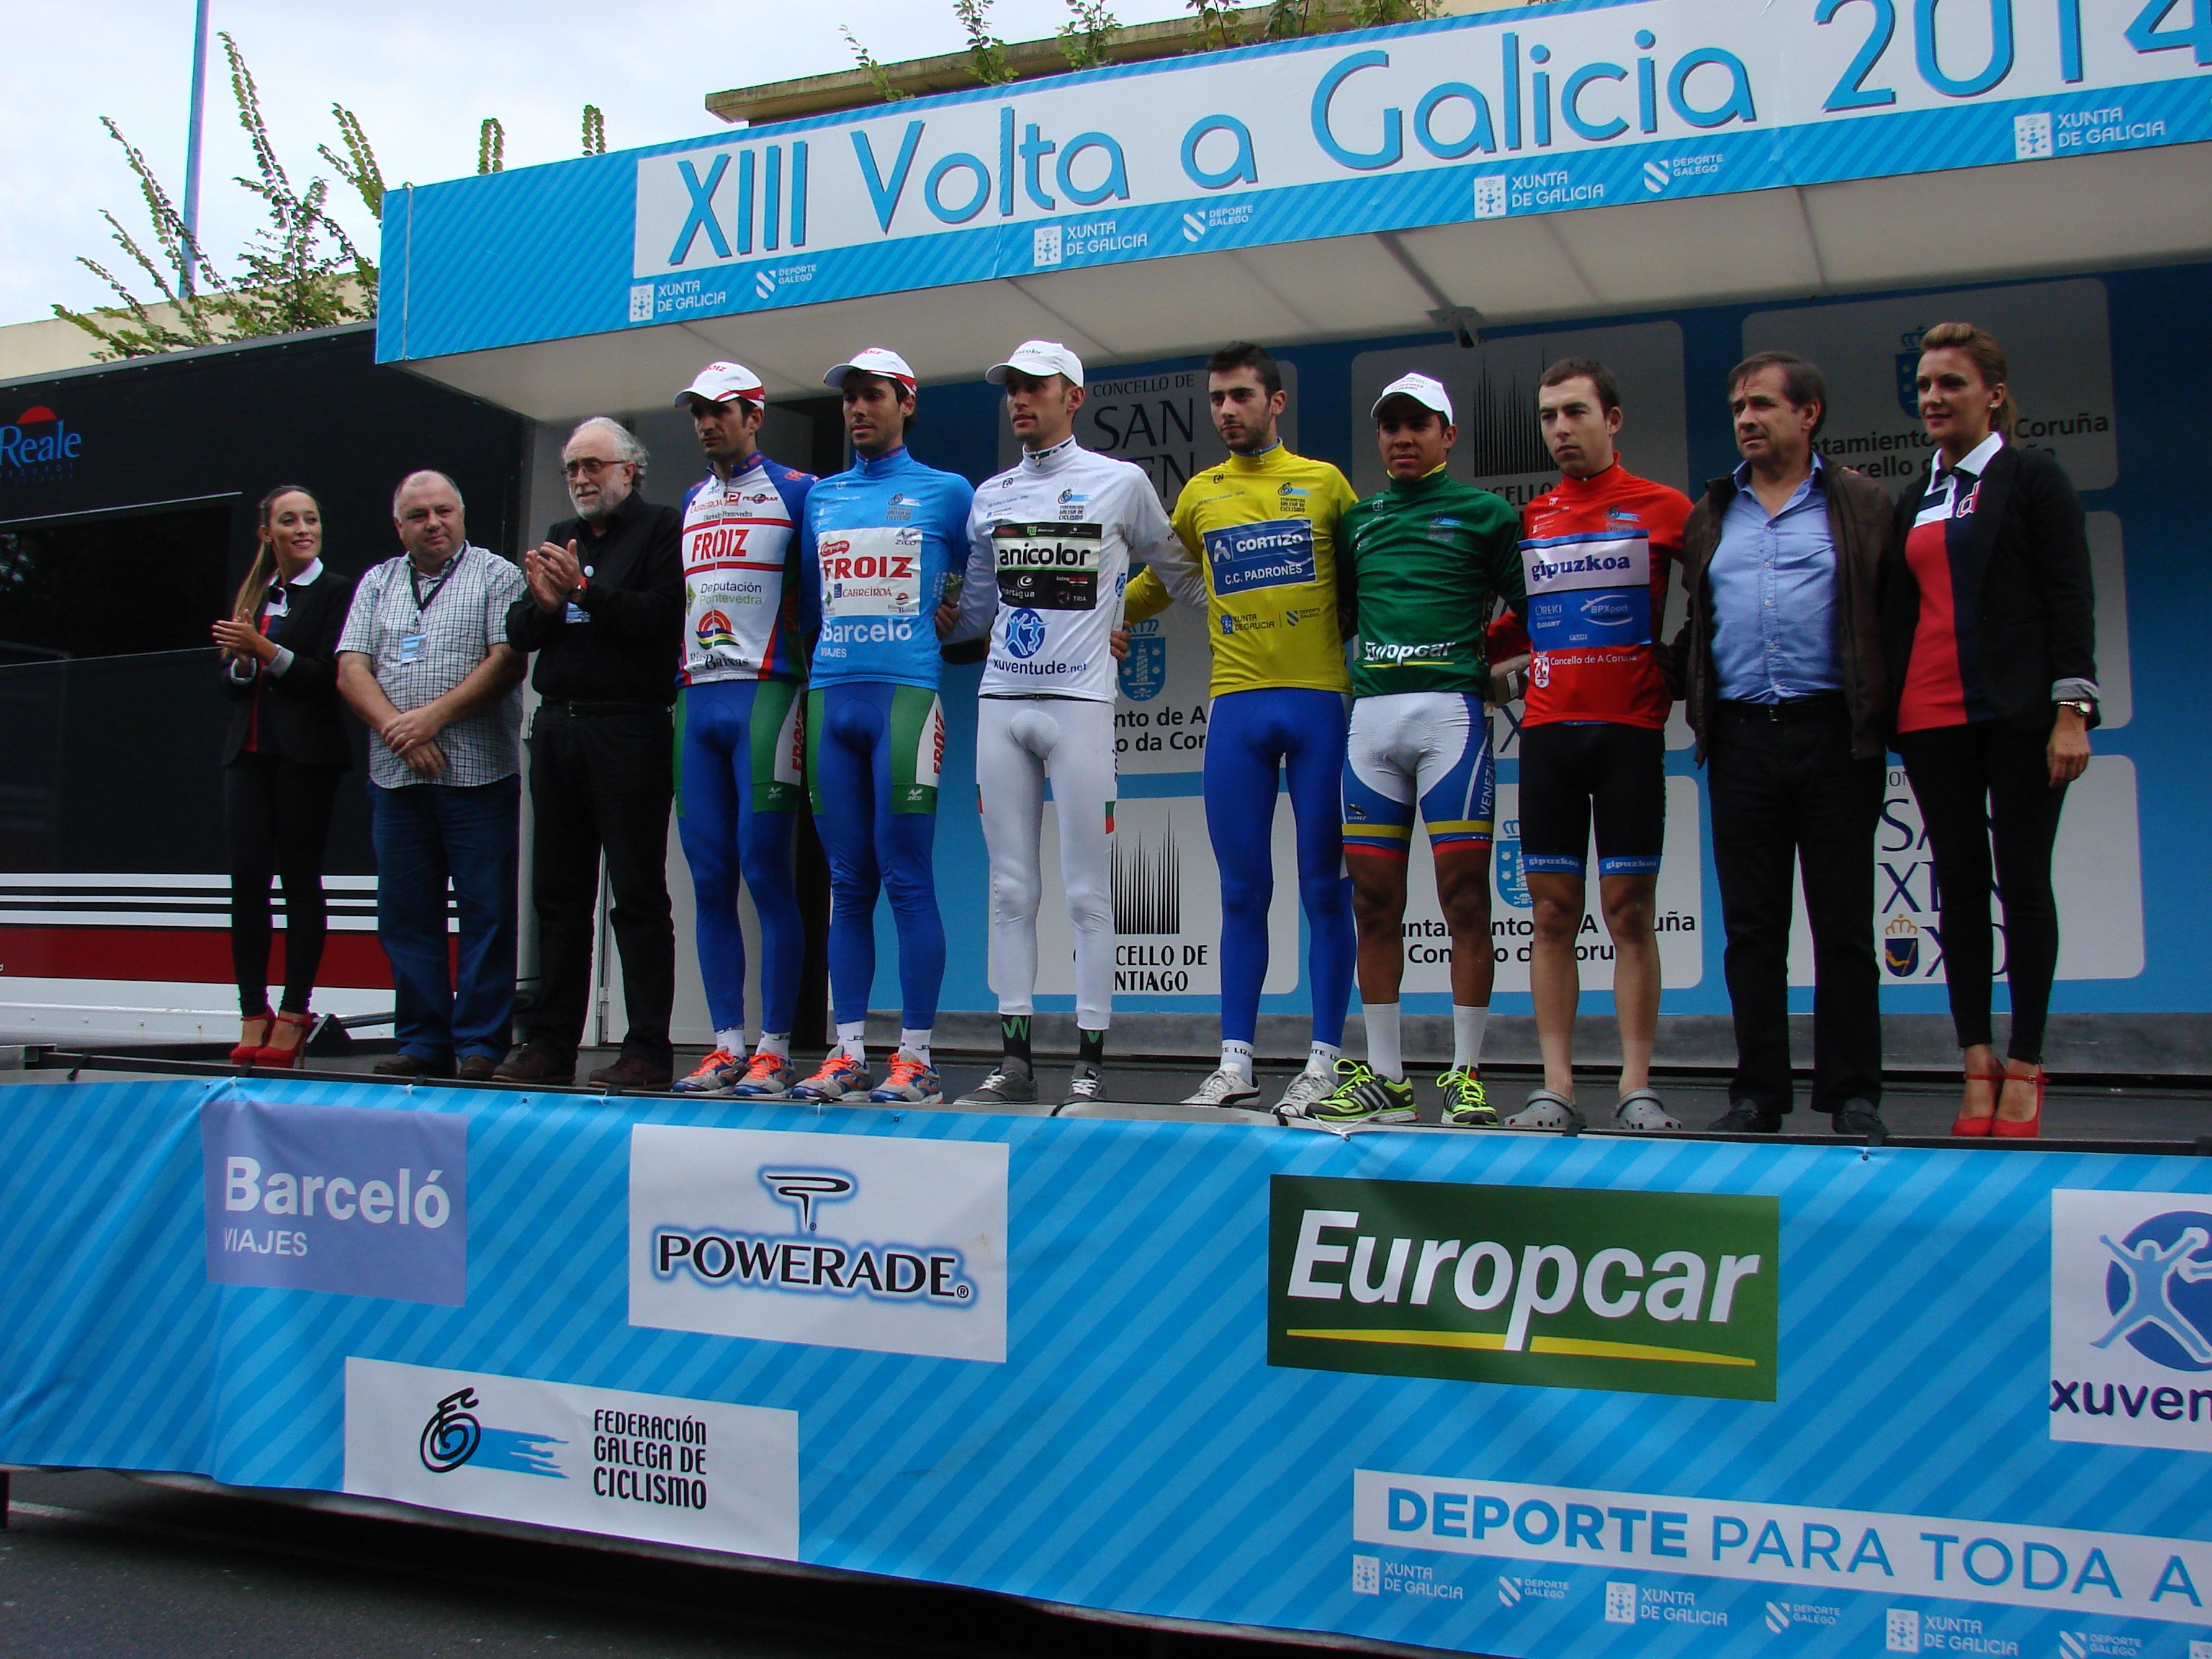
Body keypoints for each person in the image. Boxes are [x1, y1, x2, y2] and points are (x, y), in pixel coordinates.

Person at [1122, 341, 1359, 1112]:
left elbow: (1367, 580)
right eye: (1217, 398)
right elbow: (1162, 581)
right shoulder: (1200, 493)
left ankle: (1325, 1062)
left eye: (1241, 396)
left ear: (1275, 402)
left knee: (1326, 889)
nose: (1227, 410)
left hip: (1319, 702)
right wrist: (1094, 615)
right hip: (1237, 707)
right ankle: (1236, 1063)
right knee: (1241, 892)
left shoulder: (1325, 484)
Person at [948, 341, 1179, 1107]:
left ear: (1073, 396)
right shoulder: (991, 496)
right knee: (1011, 890)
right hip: (1001, 703)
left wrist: (1125, 610)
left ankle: (1090, 1062)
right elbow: (976, 612)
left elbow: (1179, 570)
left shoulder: (1121, 483)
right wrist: (929, 619)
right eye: (1011, 388)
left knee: (1088, 894)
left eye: (1035, 387)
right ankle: (1013, 1061)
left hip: (1079, 707)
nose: (1020, 399)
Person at [1881, 320, 2096, 1140]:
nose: (1934, 398)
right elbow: (1901, 612)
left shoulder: (2033, 477)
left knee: (2024, 879)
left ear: (1994, 396)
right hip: (1930, 717)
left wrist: (2072, 711)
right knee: (1960, 886)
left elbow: (2070, 598)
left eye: (1952, 384)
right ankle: (1976, 1062)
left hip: (2019, 716)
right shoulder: (1915, 496)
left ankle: (2028, 1064)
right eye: (1925, 386)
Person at [1673, 353, 1894, 1138]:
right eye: (1738, 406)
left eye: (1763, 404)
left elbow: (1890, 616)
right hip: (1741, 740)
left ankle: (1854, 1094)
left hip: (1834, 735)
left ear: (1809, 414)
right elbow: (1700, 628)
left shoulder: (1860, 502)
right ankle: (1758, 1093)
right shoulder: (1711, 514)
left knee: (1843, 925)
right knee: (1752, 929)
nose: (1746, 419)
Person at [1310, 373, 1522, 1126]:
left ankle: (1466, 1074)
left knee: (1465, 898)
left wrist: (1495, 671)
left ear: (1447, 435)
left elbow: (1534, 611)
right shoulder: (1357, 522)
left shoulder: (1488, 515)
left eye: (1418, 425)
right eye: (1390, 426)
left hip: (1450, 721)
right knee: (1372, 903)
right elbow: (1335, 615)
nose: (1402, 438)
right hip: (1371, 724)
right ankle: (1388, 1078)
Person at [1487, 359, 1692, 1131]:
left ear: (1613, 419)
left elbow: (1723, 592)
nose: (1560, 429)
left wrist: (1685, 665)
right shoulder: (1534, 517)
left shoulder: (1665, 507)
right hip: (1547, 737)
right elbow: (1519, 623)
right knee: (1551, 914)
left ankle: (1637, 1085)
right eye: (1548, 416)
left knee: (1629, 912)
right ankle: (1557, 1087)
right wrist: (1453, 658)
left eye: (1575, 412)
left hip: (1630, 735)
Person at [788, 347, 974, 1106]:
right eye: (849, 399)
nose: (858, 409)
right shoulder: (822, 498)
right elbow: (809, 602)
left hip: (906, 700)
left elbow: (975, 580)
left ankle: (918, 1057)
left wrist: (951, 611)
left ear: (906, 403)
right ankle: (848, 1053)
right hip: (832, 698)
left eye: (872, 396)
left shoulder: (947, 491)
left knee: (905, 875)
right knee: (845, 881)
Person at [496, 419, 684, 1090]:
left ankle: (647, 1049)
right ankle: (550, 1045)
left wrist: (586, 592)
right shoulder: (558, 536)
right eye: (572, 467)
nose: (579, 478)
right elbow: (520, 631)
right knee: (557, 896)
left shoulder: (662, 529)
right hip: (558, 727)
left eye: (592, 466)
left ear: (629, 470)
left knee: (636, 894)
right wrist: (548, 603)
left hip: (627, 729)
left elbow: (661, 619)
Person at [337, 472, 528, 1082]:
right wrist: (399, 730)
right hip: (396, 782)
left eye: (443, 511)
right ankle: (422, 1041)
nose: (433, 523)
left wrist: (431, 721)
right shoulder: (377, 582)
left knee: (485, 914)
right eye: (418, 515)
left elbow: (507, 661)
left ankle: (479, 1045)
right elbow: (351, 669)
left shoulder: (497, 575)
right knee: (406, 916)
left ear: (461, 514)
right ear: (400, 526)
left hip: (478, 778)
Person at [663, 363, 817, 1099]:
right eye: (697, 412)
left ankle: (775, 1048)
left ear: (754, 417)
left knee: (765, 871)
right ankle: (726, 1044)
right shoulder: (691, 499)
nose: (706, 424)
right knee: (708, 878)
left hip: (767, 694)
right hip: (697, 700)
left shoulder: (798, 491)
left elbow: (823, 594)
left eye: (720, 411)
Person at [212, 486, 356, 1069]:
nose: (303, 529)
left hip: (305, 758)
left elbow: (328, 677)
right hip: (248, 755)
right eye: (289, 520)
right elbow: (231, 684)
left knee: (299, 880)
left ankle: (295, 1012)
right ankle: (253, 1010)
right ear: (267, 533)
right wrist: (245, 661)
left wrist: (265, 651)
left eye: (311, 519)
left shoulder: (337, 591)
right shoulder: (256, 593)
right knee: (248, 882)